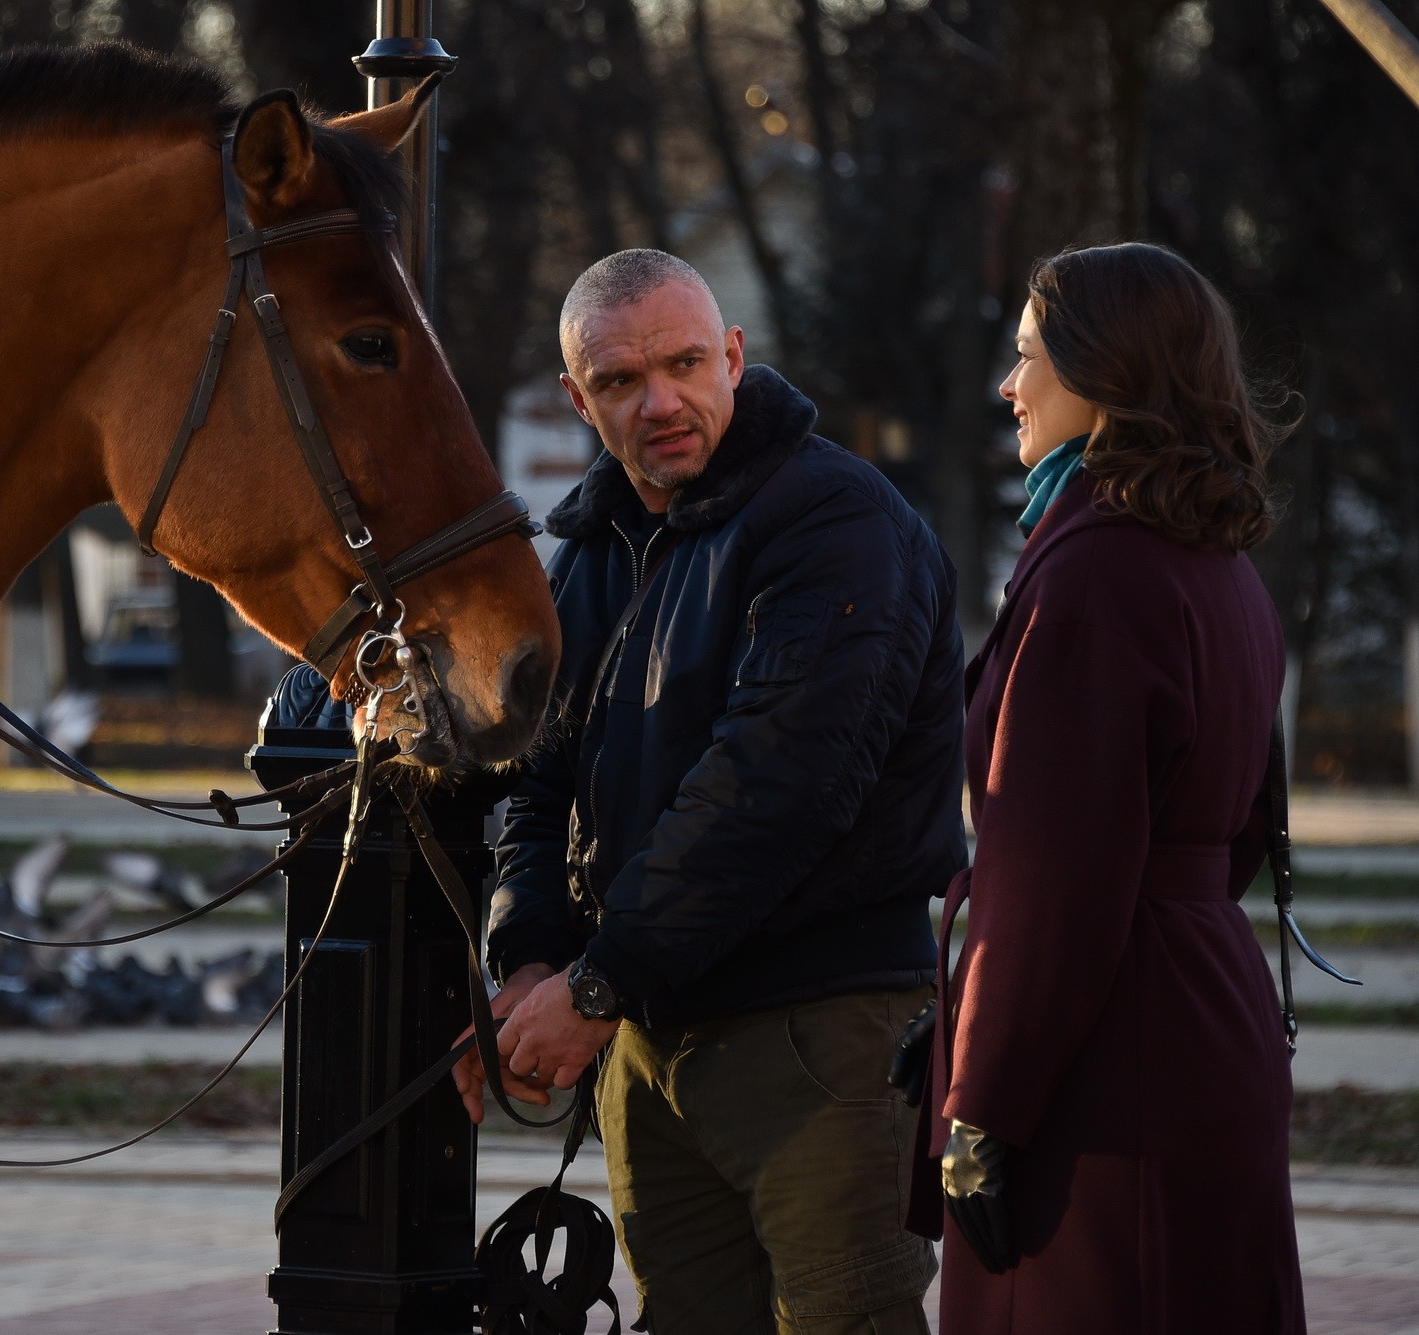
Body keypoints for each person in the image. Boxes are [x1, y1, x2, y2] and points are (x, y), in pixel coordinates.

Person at [464, 249, 966, 1334]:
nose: (661, 403)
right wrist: (528, 966)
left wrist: (592, 991)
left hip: (816, 1032)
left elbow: (771, 793)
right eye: (618, 382)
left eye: (685, 363)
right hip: (646, 1038)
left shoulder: (835, 523)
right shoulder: (594, 545)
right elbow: (540, 780)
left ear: (733, 356)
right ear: (575, 398)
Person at [911, 241, 1306, 1332]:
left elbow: (1049, 883)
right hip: (1196, 1020)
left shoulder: (1093, 569)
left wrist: (981, 1110)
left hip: (1102, 1075)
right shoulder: (1212, 559)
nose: (1007, 386)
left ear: (1100, 372)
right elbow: (1230, 841)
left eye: (1027, 356)